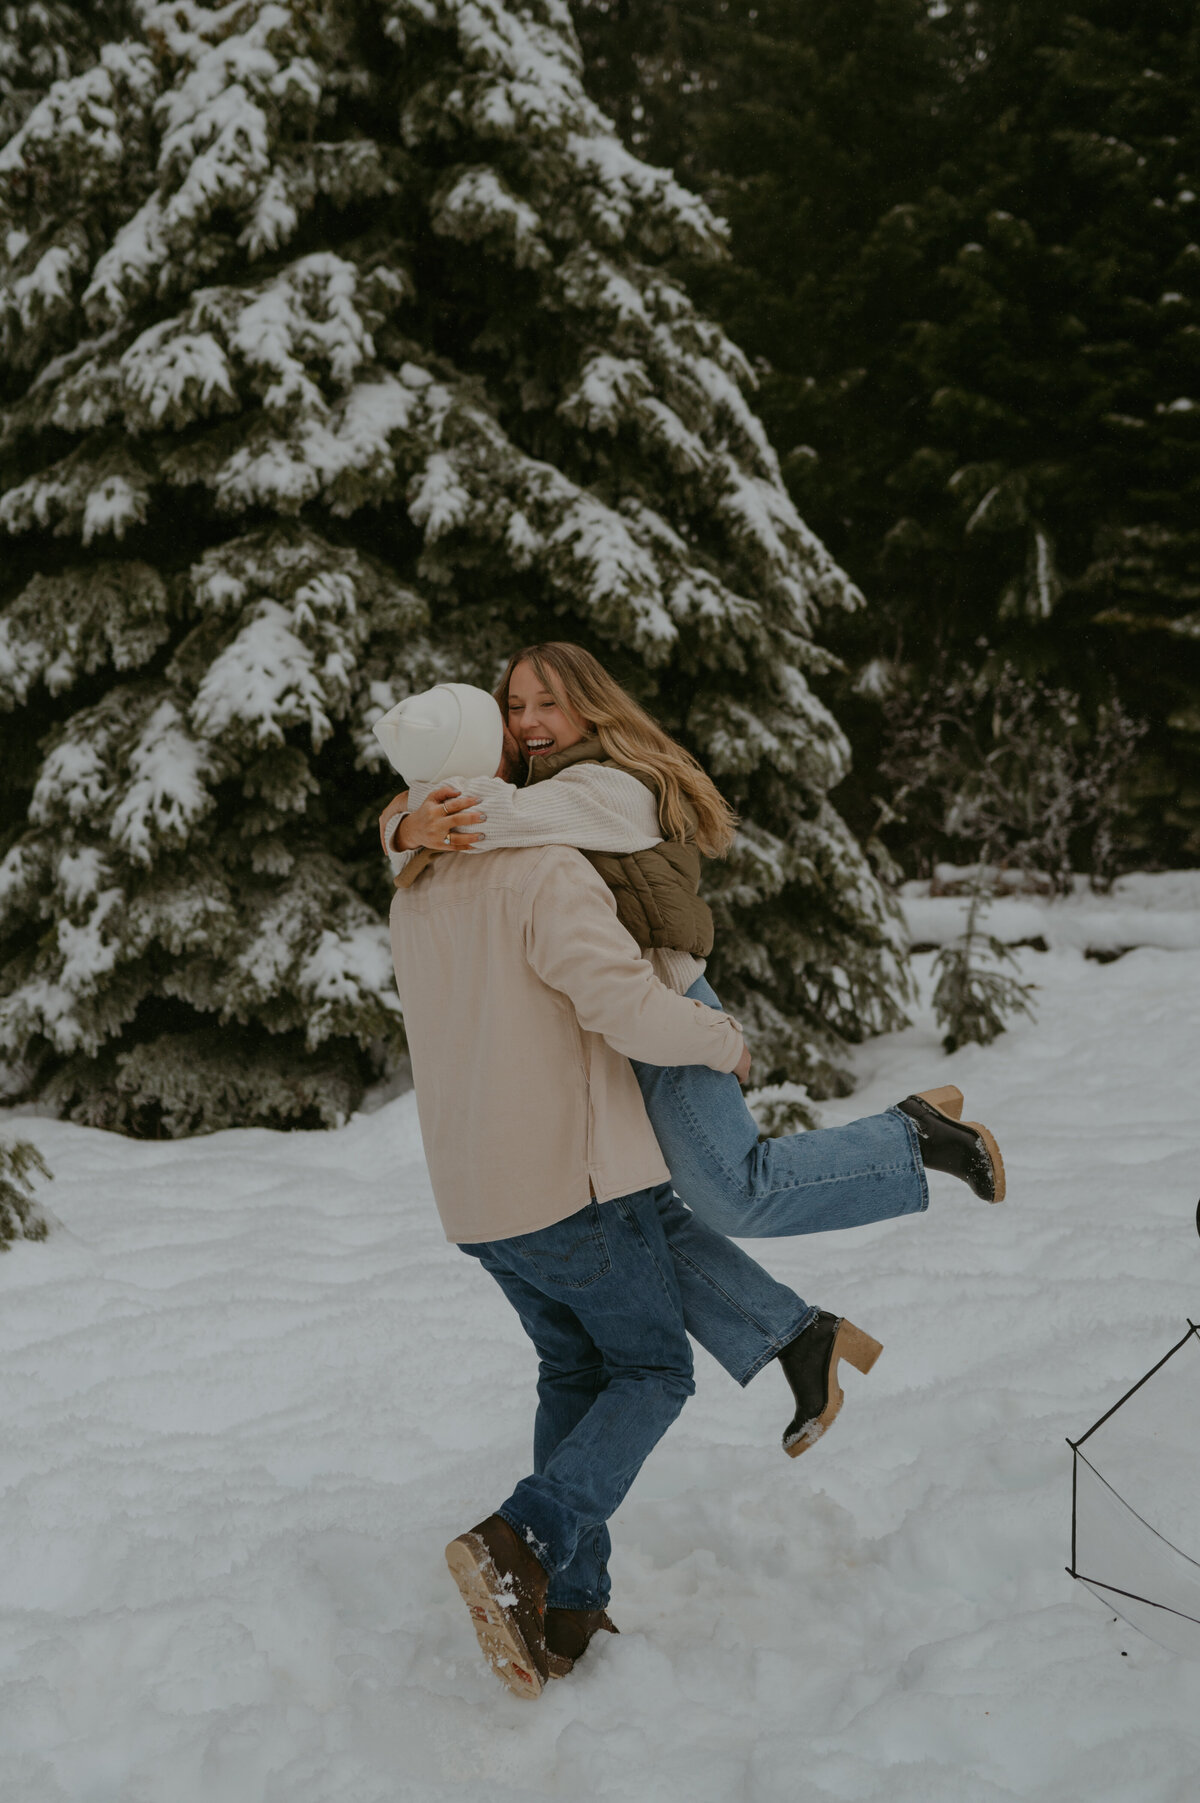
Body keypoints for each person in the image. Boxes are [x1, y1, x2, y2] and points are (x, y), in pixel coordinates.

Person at [384, 686, 884, 1699]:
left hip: (478, 1201)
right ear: (491, 755)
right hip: (568, 1183)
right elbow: (622, 1003)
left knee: (574, 1371)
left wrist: (400, 821)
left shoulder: (417, 885)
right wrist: (723, 1040)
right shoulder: (541, 869)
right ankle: (522, 1539)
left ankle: (566, 1607)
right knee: (651, 1370)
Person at [378, 645, 1006, 1249]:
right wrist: (405, 828)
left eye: (549, 703)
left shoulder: (607, 787)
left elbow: (478, 816)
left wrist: (410, 818)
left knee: (739, 1193)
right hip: (614, 1025)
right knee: (644, 1209)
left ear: (591, 707)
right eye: (514, 707)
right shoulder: (537, 789)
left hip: (665, 1009)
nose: (528, 722)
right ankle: (781, 1321)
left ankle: (913, 1137)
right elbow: (443, 835)